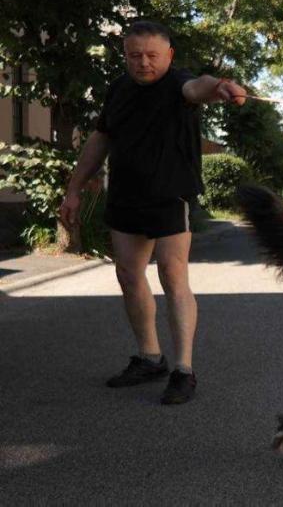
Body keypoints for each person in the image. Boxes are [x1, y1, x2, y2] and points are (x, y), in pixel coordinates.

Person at [60, 21, 246, 405]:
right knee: (129, 274)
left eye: (152, 55)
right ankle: (149, 357)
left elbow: (200, 86)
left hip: (169, 194)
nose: (143, 63)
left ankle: (183, 369)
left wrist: (220, 87)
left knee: (172, 274)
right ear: (125, 55)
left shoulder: (179, 85)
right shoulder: (118, 90)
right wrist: (74, 189)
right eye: (134, 55)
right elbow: (101, 139)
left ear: (169, 55)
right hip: (126, 195)